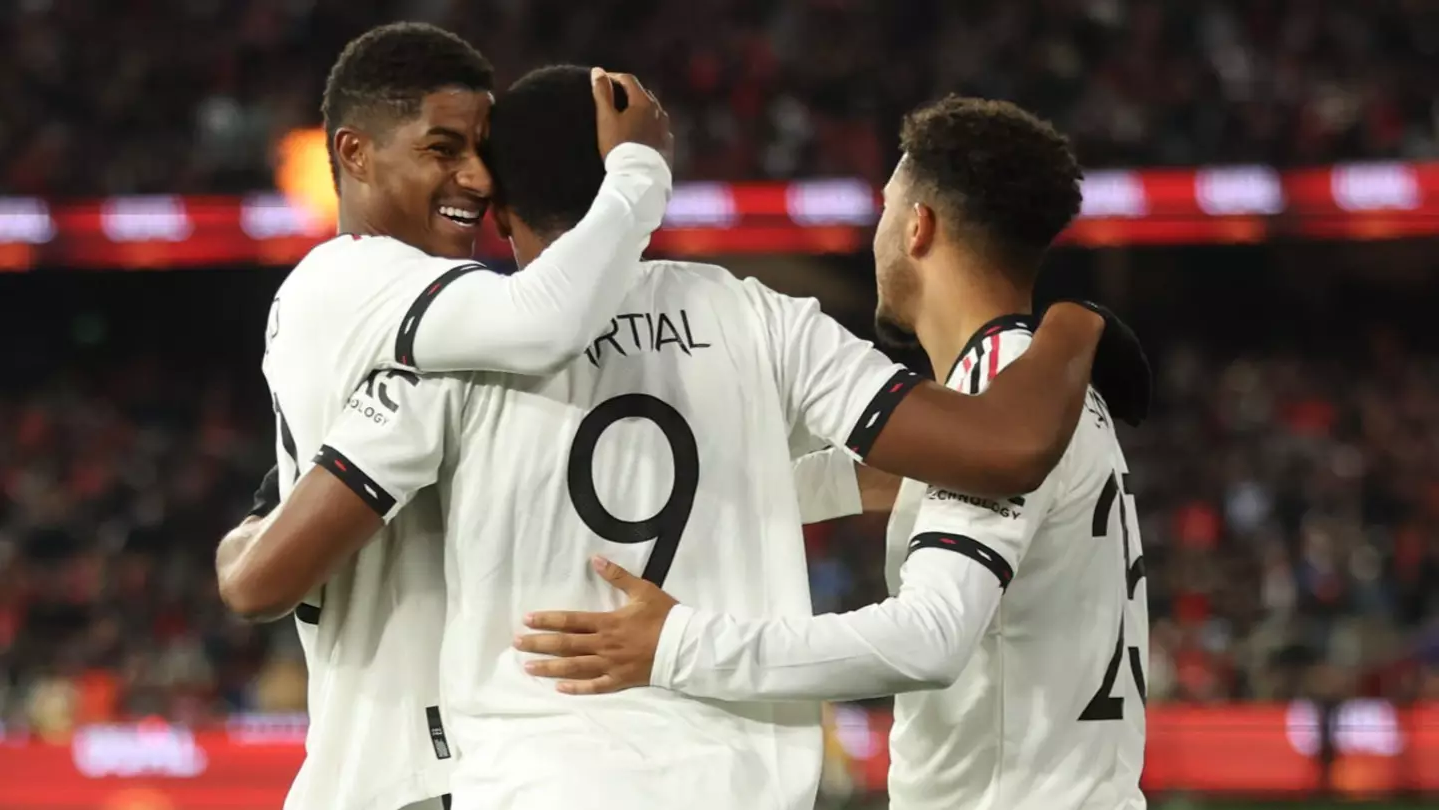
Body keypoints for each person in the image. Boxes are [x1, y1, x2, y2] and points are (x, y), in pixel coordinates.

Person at [253, 65, 1149, 810]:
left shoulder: (450, 349)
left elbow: (272, 574)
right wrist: (1078, 327)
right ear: (635, 177)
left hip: (528, 781)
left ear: (499, 210)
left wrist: (262, 516)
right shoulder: (759, 316)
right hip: (743, 783)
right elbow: (973, 442)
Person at [517, 97, 1150, 810]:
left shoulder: (998, 386)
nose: (874, 231)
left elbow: (929, 636)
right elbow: (838, 482)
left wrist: (677, 644)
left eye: (884, 209)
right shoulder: (1030, 394)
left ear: (918, 227)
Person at [212, 22, 675, 810]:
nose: (476, 178)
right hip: (414, 771)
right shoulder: (362, 277)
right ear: (355, 154)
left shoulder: (398, 326)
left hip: (414, 768)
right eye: (442, 148)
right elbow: (545, 320)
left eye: (480, 153)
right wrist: (638, 174)